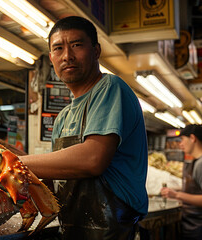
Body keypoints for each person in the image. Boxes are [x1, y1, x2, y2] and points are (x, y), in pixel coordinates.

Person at [19, 16, 148, 239]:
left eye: (77, 45)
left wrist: (14, 163)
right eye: (58, 48)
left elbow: (92, 159)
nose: (67, 56)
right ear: (51, 58)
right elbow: (54, 181)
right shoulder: (63, 117)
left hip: (114, 232)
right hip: (72, 230)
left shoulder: (110, 88)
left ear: (96, 51)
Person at [161, 124, 202, 240]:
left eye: (182, 139)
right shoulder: (195, 162)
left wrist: (177, 195)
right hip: (192, 226)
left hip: (198, 229)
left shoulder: (200, 164)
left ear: (193, 138)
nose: (180, 144)